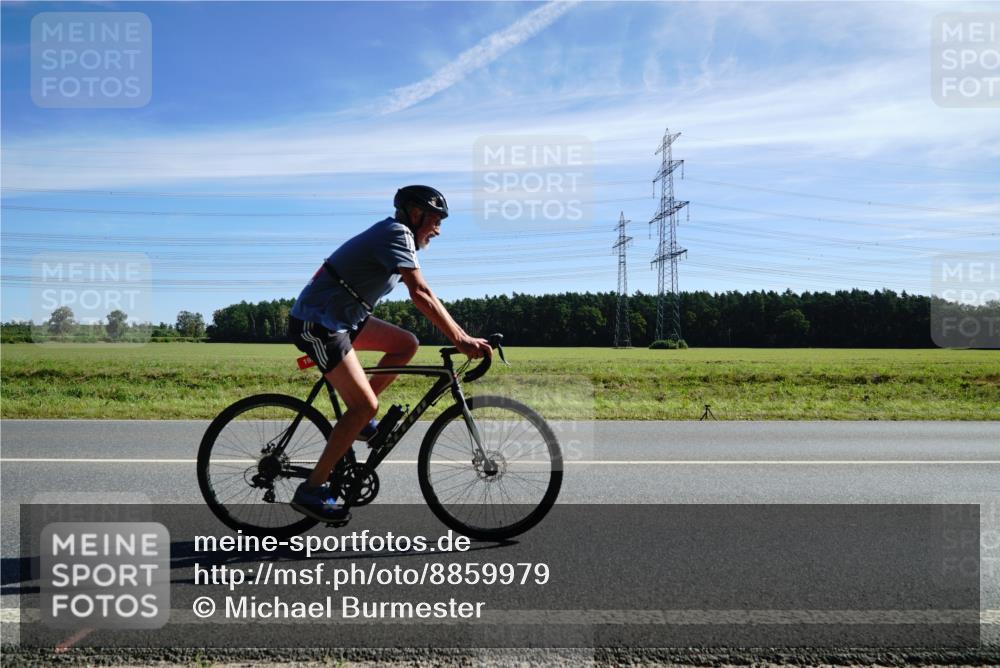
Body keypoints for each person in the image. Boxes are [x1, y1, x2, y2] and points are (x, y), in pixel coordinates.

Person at [287, 185, 492, 522]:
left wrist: (461, 336)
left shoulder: (399, 237)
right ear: (415, 214)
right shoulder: (396, 233)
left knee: (406, 344)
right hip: (318, 321)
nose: (438, 230)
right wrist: (462, 339)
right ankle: (311, 489)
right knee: (365, 402)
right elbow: (421, 293)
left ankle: (362, 422)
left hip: (345, 320)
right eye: (436, 220)